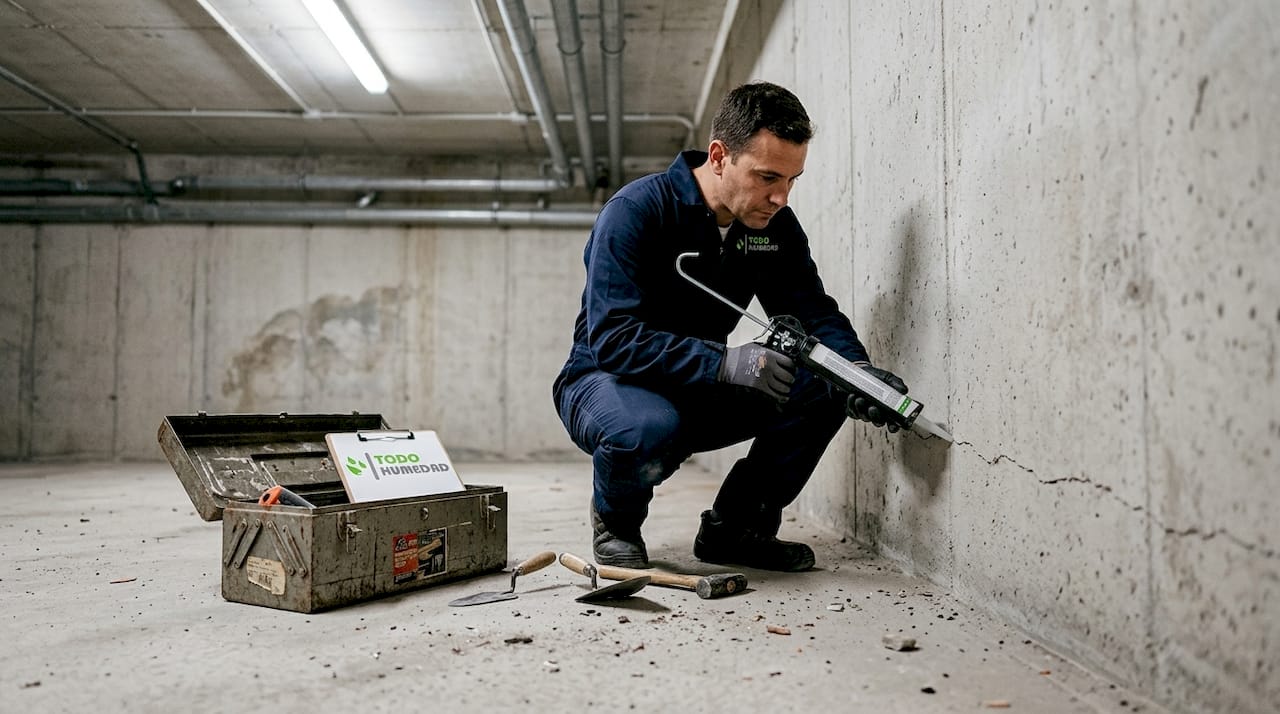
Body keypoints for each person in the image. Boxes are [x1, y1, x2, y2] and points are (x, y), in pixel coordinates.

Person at [552, 81, 908, 572]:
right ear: (719, 156)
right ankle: (617, 522)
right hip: (607, 381)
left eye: (791, 180)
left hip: (699, 383)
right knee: (646, 428)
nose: (780, 196)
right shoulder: (637, 212)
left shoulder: (772, 229)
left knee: (825, 385)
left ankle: (735, 531)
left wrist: (859, 372)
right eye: (767, 177)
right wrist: (724, 362)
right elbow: (612, 339)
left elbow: (813, 311)